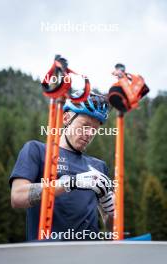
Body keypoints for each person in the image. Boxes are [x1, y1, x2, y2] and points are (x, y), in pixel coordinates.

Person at [9, 93, 115, 241]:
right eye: (85, 126)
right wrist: (72, 182)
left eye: (95, 129)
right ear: (66, 119)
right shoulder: (37, 150)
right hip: (49, 255)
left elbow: (111, 230)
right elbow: (17, 197)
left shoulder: (99, 166)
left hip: (92, 255)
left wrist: (111, 210)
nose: (90, 133)